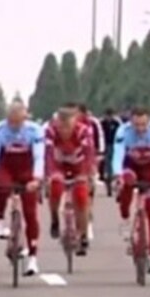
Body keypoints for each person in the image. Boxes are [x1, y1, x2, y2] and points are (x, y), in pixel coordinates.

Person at [111, 107, 150, 274]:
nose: (140, 129)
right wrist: (117, 175)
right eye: (136, 125)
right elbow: (117, 154)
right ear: (130, 122)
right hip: (130, 166)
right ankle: (125, 217)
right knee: (127, 182)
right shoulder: (123, 131)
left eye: (143, 124)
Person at [0, 101, 45, 275]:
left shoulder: (34, 130)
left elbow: (39, 155)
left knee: (30, 213)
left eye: (18, 122)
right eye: (12, 122)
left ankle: (33, 258)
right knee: (1, 188)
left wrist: (36, 178)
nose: (15, 126)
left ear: (25, 118)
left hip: (27, 169)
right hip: (7, 166)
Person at [45, 105, 96, 254]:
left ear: (75, 123)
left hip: (78, 166)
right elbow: (47, 154)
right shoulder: (50, 131)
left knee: (81, 196)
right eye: (62, 127)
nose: (65, 131)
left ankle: (83, 233)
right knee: (55, 188)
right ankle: (54, 218)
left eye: (68, 127)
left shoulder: (83, 131)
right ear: (57, 123)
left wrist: (89, 174)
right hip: (58, 165)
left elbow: (89, 154)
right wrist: (47, 175)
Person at [100, 108, 123, 188]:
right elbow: (99, 134)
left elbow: (121, 133)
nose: (109, 118)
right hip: (105, 144)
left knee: (114, 159)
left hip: (115, 144)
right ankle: (103, 174)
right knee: (104, 160)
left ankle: (114, 175)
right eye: (107, 116)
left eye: (110, 116)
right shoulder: (101, 123)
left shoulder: (117, 123)